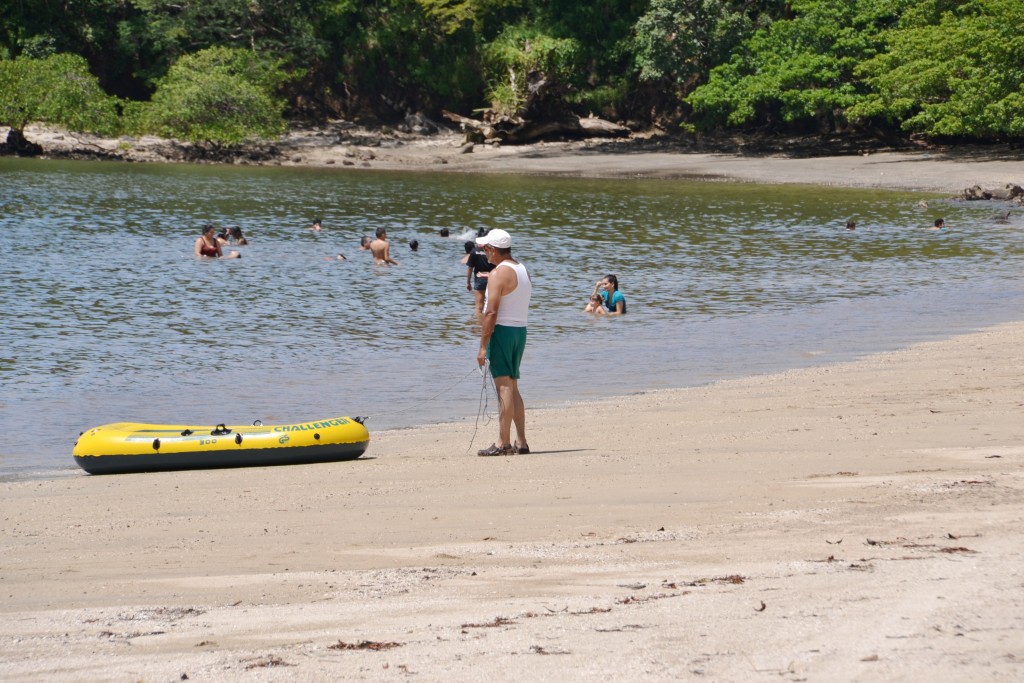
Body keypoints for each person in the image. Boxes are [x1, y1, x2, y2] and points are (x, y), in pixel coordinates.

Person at [477, 229, 532, 457]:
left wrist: (482, 346)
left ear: (492, 249)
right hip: (520, 331)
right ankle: (521, 441)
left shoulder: (498, 273)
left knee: (504, 387)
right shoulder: (522, 269)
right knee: (513, 386)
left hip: (502, 332)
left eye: (484, 249)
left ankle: (503, 443)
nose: (484, 253)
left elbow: (490, 312)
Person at [466, 235, 495, 314]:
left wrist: (468, 283)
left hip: (479, 279)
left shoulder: (474, 251)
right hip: (492, 279)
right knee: (491, 304)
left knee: (479, 306)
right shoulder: (492, 251)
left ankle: (478, 321)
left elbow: (470, 268)